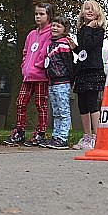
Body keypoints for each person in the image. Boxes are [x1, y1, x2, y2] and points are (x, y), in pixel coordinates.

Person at [4, 2, 54, 147]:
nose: (38, 17)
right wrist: (24, 66)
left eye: (41, 14)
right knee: (20, 102)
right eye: (36, 14)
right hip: (28, 76)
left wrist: (37, 65)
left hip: (41, 76)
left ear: (49, 16)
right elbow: (25, 52)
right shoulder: (31, 34)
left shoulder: (51, 33)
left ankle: (41, 132)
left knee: (41, 104)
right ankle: (19, 131)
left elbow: (46, 51)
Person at [71, 0, 107, 151]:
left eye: (93, 9)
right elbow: (83, 51)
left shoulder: (98, 31)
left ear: (98, 13)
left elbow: (90, 45)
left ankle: (96, 137)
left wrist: (88, 28)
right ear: (82, 13)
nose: (89, 11)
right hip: (82, 70)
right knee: (82, 104)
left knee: (92, 103)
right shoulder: (82, 30)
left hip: (94, 70)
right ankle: (86, 135)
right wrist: (75, 48)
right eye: (86, 9)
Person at [43, 15, 74, 149]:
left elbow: (68, 63)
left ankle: (63, 137)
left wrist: (70, 79)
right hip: (52, 82)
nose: (55, 28)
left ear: (64, 29)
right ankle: (55, 136)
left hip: (62, 82)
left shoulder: (63, 44)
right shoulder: (51, 44)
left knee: (63, 111)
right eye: (53, 25)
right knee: (55, 111)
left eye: (58, 26)